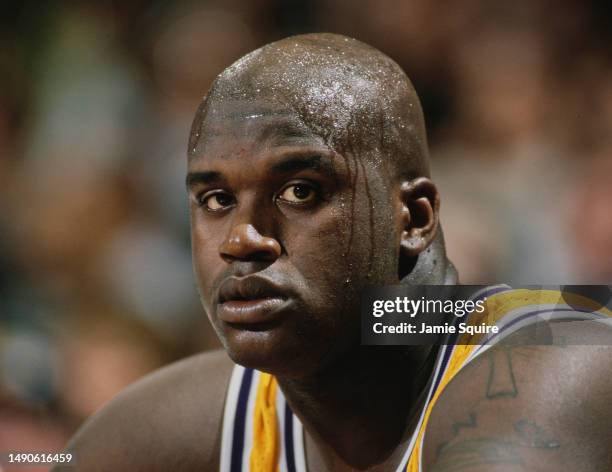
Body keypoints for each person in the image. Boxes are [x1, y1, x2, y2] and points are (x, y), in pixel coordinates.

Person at [57, 34, 612, 471]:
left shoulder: (564, 355)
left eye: (300, 191)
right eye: (218, 199)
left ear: (413, 219)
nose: (242, 239)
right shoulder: (198, 416)